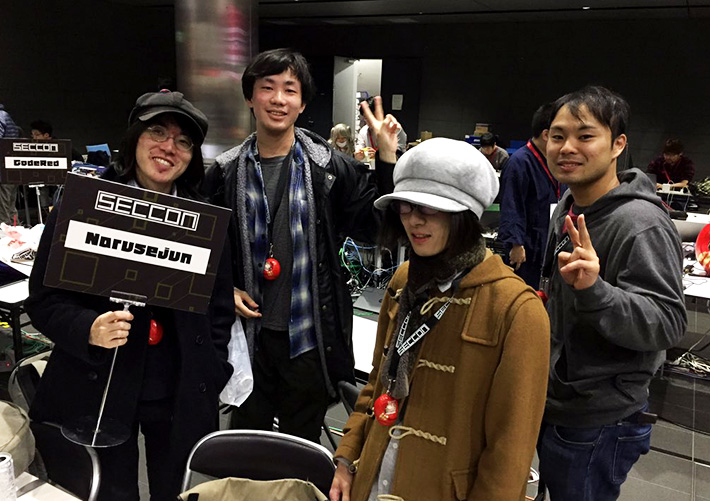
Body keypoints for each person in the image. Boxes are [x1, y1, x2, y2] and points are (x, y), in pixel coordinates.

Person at [25, 90, 235, 501]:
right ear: (135, 137)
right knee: (109, 492)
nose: (168, 148)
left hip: (179, 388)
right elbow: (43, 300)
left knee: (176, 490)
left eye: (183, 141)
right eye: (157, 131)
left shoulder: (205, 221)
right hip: (100, 384)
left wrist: (213, 368)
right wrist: (88, 328)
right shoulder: (84, 204)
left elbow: (219, 311)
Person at [329, 136, 550, 501]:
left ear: (465, 213)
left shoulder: (516, 310)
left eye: (430, 208)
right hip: (374, 478)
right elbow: (376, 382)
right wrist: (348, 456)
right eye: (405, 207)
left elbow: (510, 450)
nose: (414, 221)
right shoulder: (404, 280)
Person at [203, 48, 396, 443]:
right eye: (267, 87)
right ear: (249, 97)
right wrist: (224, 288)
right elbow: (205, 253)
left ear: (302, 101)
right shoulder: (225, 171)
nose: (278, 99)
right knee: (246, 448)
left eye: (289, 90)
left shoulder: (330, 168)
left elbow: (378, 226)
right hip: (250, 341)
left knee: (300, 450)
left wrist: (387, 159)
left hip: (310, 337)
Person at [537, 85, 686, 500]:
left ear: (618, 143)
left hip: (601, 417)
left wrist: (596, 290)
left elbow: (668, 324)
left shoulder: (640, 223)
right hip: (559, 400)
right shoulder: (569, 206)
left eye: (585, 136)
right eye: (557, 135)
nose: (567, 147)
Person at [498, 103, 563, 288]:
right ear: (545, 134)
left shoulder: (554, 161)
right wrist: (515, 244)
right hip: (525, 248)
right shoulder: (519, 162)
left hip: (547, 241)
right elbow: (511, 206)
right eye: (559, 136)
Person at [0, 102, 20, 225]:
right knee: (11, 208)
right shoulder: (5, 116)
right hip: (11, 169)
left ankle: (5, 239)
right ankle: (15, 235)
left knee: (2, 210)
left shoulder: (0, 116)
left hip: (2, 172)